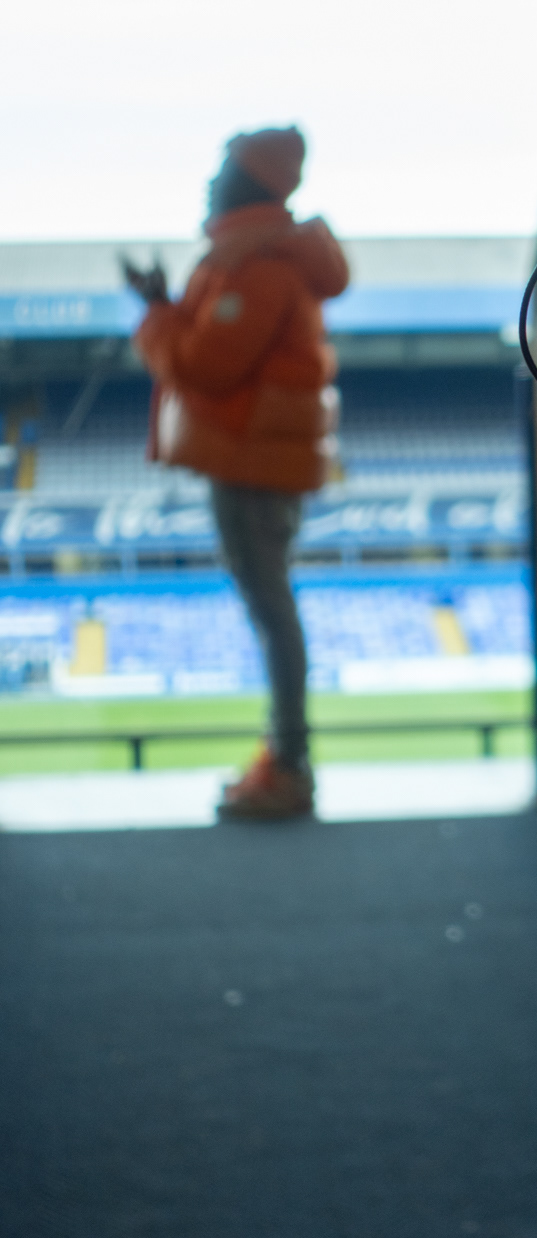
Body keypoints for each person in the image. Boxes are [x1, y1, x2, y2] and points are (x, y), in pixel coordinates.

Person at [128, 126, 349, 819]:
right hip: (254, 454)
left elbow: (207, 366)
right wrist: (166, 305)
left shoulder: (257, 265)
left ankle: (290, 768)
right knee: (270, 608)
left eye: (222, 170)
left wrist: (156, 315)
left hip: (252, 459)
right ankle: (285, 759)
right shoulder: (251, 255)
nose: (208, 182)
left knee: (271, 610)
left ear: (252, 182)